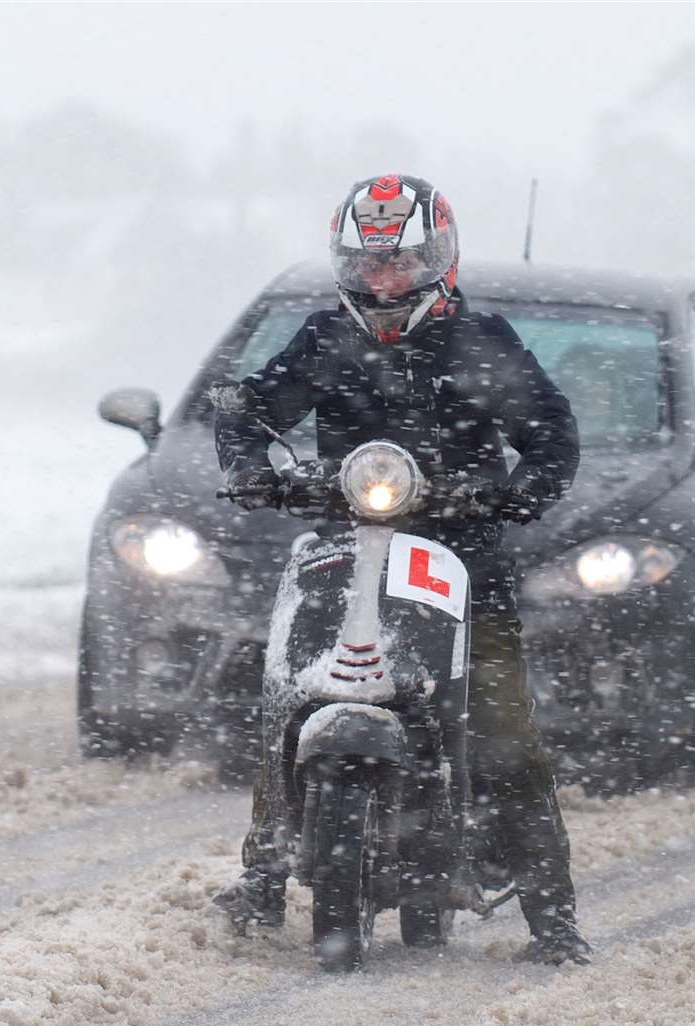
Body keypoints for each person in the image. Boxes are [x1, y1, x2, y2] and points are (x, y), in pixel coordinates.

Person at [212, 174, 589, 965]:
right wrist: (249, 465)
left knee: (504, 731)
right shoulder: (322, 340)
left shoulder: (482, 341)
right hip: (344, 556)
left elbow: (551, 433)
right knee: (289, 691)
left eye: (400, 261)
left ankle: (553, 918)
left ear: (438, 260)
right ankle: (261, 875)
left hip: (461, 561)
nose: (382, 279)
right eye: (366, 263)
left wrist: (516, 495)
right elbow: (247, 408)